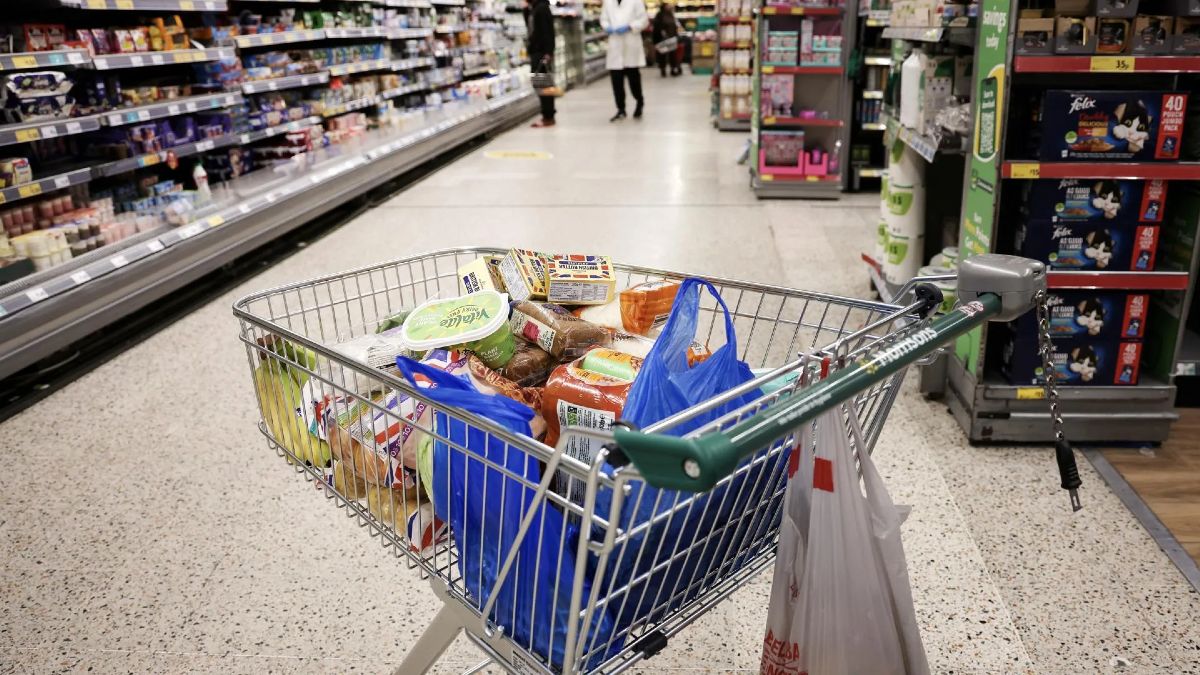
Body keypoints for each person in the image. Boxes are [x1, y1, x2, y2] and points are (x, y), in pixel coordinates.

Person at [600, 0, 649, 121]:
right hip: (615, 43)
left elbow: (644, 20)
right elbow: (604, 19)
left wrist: (630, 26)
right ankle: (621, 109)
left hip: (630, 42)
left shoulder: (636, 2)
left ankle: (639, 102)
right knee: (616, 81)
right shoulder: (608, 2)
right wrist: (607, 27)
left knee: (634, 80)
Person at [525, 0, 556, 127]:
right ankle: (547, 115)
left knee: (543, 85)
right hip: (537, 51)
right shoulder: (535, 7)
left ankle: (548, 116)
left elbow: (547, 32)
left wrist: (548, 52)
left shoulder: (541, 8)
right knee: (541, 84)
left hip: (541, 52)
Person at [652, 3, 682, 77]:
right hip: (663, 39)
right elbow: (657, 26)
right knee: (662, 55)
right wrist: (662, 33)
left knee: (673, 55)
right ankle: (663, 70)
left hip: (672, 38)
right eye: (667, 6)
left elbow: (675, 25)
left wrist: (676, 35)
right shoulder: (659, 15)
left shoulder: (671, 14)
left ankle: (673, 69)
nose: (669, 7)